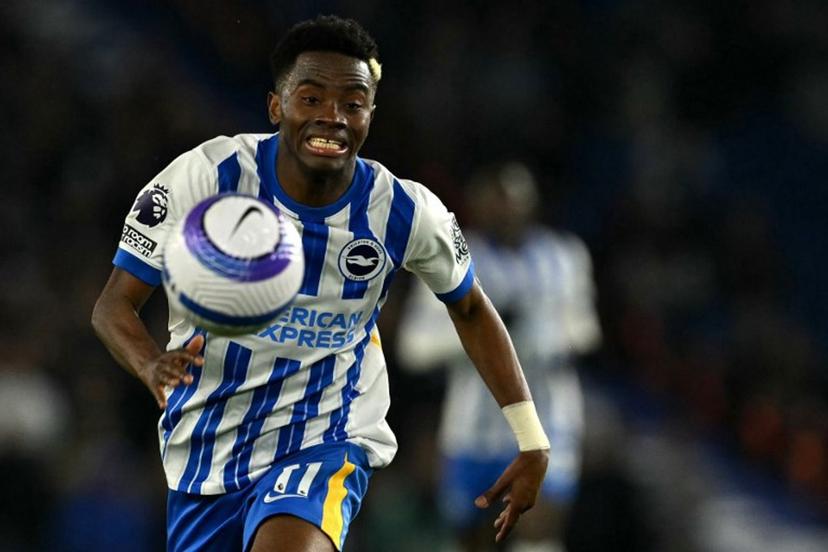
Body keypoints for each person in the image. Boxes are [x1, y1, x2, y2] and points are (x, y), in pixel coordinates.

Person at [91, 15, 549, 552]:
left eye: (352, 103)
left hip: (326, 438)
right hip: (207, 451)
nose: (331, 117)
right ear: (276, 107)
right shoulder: (206, 177)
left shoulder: (404, 211)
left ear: (370, 116)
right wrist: (149, 365)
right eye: (310, 99)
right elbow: (113, 305)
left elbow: (470, 308)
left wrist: (531, 438)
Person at [397, 162, 601, 552]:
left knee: (539, 528)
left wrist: (542, 337)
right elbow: (414, 346)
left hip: (548, 420)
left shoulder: (564, 256)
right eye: (496, 201)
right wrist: (482, 334)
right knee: (474, 539)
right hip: (471, 428)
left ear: (532, 204)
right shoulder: (451, 258)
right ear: (478, 205)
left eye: (515, 200)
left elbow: (586, 330)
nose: (506, 210)